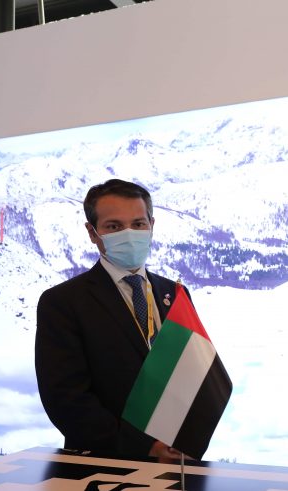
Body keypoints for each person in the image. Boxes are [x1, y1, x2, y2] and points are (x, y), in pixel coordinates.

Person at [35, 178, 185, 459]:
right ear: (92, 233)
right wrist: (146, 448)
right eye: (114, 227)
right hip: (103, 463)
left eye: (138, 224)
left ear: (152, 225)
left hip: (177, 458)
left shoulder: (174, 293)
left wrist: (189, 438)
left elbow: (192, 372)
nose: (129, 234)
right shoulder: (63, 302)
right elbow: (66, 399)